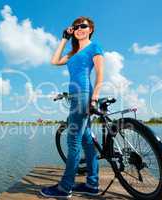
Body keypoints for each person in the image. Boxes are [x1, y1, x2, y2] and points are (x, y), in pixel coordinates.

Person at [40, 16, 104, 198]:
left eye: (83, 26)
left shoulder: (94, 47)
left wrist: (95, 97)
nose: (79, 29)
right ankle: (92, 185)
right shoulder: (73, 52)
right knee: (87, 141)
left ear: (90, 29)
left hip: (84, 94)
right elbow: (54, 61)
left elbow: (100, 74)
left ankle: (65, 187)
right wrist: (64, 38)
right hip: (76, 96)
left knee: (73, 141)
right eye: (76, 27)